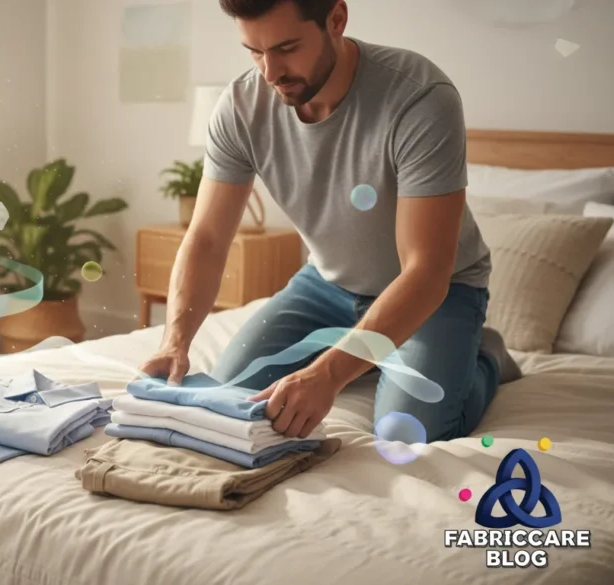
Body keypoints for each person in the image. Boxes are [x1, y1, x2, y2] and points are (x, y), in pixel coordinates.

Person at [137, 0, 522, 445]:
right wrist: (174, 341)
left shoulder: (419, 97)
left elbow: (426, 271)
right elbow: (205, 238)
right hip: (326, 284)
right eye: (255, 52)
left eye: (286, 48)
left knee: (406, 433)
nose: (270, 72)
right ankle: (373, 355)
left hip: (437, 292)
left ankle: (486, 355)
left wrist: (329, 373)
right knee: (232, 399)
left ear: (336, 20)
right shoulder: (241, 106)